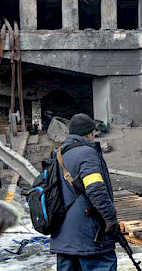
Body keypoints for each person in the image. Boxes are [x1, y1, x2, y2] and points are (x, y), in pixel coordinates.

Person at [50, 113, 119, 271]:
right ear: (90, 133)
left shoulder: (59, 154)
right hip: (90, 238)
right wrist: (110, 218)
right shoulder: (86, 154)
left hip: (63, 239)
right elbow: (95, 189)